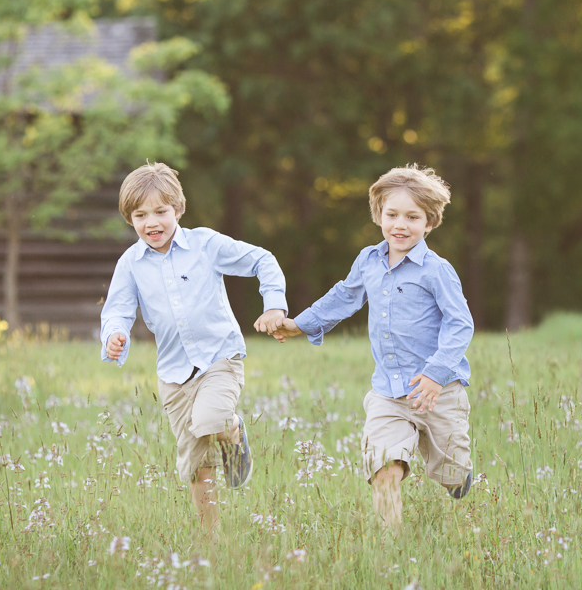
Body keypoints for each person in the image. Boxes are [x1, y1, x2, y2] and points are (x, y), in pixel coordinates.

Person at [271, 164, 474, 528]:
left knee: (451, 472)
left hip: (438, 392)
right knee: (384, 466)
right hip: (388, 392)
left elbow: (460, 324)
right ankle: (391, 549)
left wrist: (436, 374)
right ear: (378, 215)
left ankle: (457, 478)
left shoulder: (436, 269)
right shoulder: (368, 260)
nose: (400, 224)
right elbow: (343, 297)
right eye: (391, 214)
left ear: (429, 223)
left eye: (412, 217)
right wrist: (299, 324)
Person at [100, 162, 287, 534]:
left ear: (178, 210)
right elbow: (117, 309)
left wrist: (274, 305)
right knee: (195, 464)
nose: (151, 222)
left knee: (211, 421)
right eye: (141, 215)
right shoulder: (131, 264)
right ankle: (210, 537)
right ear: (130, 218)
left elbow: (261, 260)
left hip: (220, 358)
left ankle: (233, 430)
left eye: (160, 212)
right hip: (173, 374)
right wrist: (114, 335)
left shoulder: (205, 244)